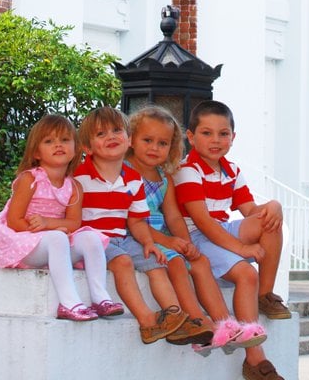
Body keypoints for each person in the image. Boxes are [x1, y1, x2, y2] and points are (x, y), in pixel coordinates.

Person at [124, 104, 267, 354]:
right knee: (178, 263)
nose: (154, 148)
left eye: (162, 143)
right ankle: (197, 322)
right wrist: (170, 243)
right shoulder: (125, 174)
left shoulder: (164, 177)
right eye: (147, 140)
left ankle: (225, 325)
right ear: (131, 140)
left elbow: (174, 216)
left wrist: (184, 240)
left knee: (199, 262)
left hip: (164, 236)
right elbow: (130, 221)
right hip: (138, 236)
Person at [74, 105, 211, 346]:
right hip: (92, 239)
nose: (111, 137)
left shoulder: (132, 179)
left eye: (117, 131)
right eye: (101, 134)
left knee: (156, 262)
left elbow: (136, 221)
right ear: (87, 147)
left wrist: (150, 243)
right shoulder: (79, 176)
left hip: (124, 238)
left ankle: (174, 317)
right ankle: (147, 321)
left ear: (127, 139)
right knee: (125, 261)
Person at [174, 100, 291, 380]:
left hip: (220, 229)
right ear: (190, 137)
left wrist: (274, 205)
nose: (216, 140)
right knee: (246, 274)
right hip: (197, 236)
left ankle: (266, 294)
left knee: (270, 223)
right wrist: (241, 249)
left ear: (233, 138)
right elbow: (201, 221)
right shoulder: (187, 170)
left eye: (223, 134)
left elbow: (250, 211)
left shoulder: (231, 170)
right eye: (206, 133)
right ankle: (254, 359)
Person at [0, 113, 123, 322]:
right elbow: (14, 221)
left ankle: (100, 298)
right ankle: (68, 303)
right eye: (49, 141)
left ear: (75, 148)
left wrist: (50, 224)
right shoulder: (30, 179)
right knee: (57, 239)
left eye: (65, 140)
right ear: (36, 152)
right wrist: (46, 231)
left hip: (55, 243)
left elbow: (74, 223)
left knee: (91, 237)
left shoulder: (74, 186)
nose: (58, 145)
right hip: (22, 243)